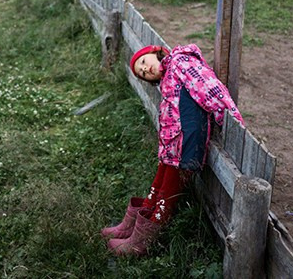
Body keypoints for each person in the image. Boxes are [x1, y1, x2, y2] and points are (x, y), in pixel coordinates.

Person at [102, 44, 243, 256]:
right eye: (142, 73)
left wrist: (233, 122)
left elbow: (211, 89)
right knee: (158, 185)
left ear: (153, 51)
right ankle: (131, 227)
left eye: (143, 62)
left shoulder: (181, 63)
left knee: (166, 194)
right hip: (172, 145)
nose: (145, 70)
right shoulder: (168, 75)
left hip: (185, 144)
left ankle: (142, 242)